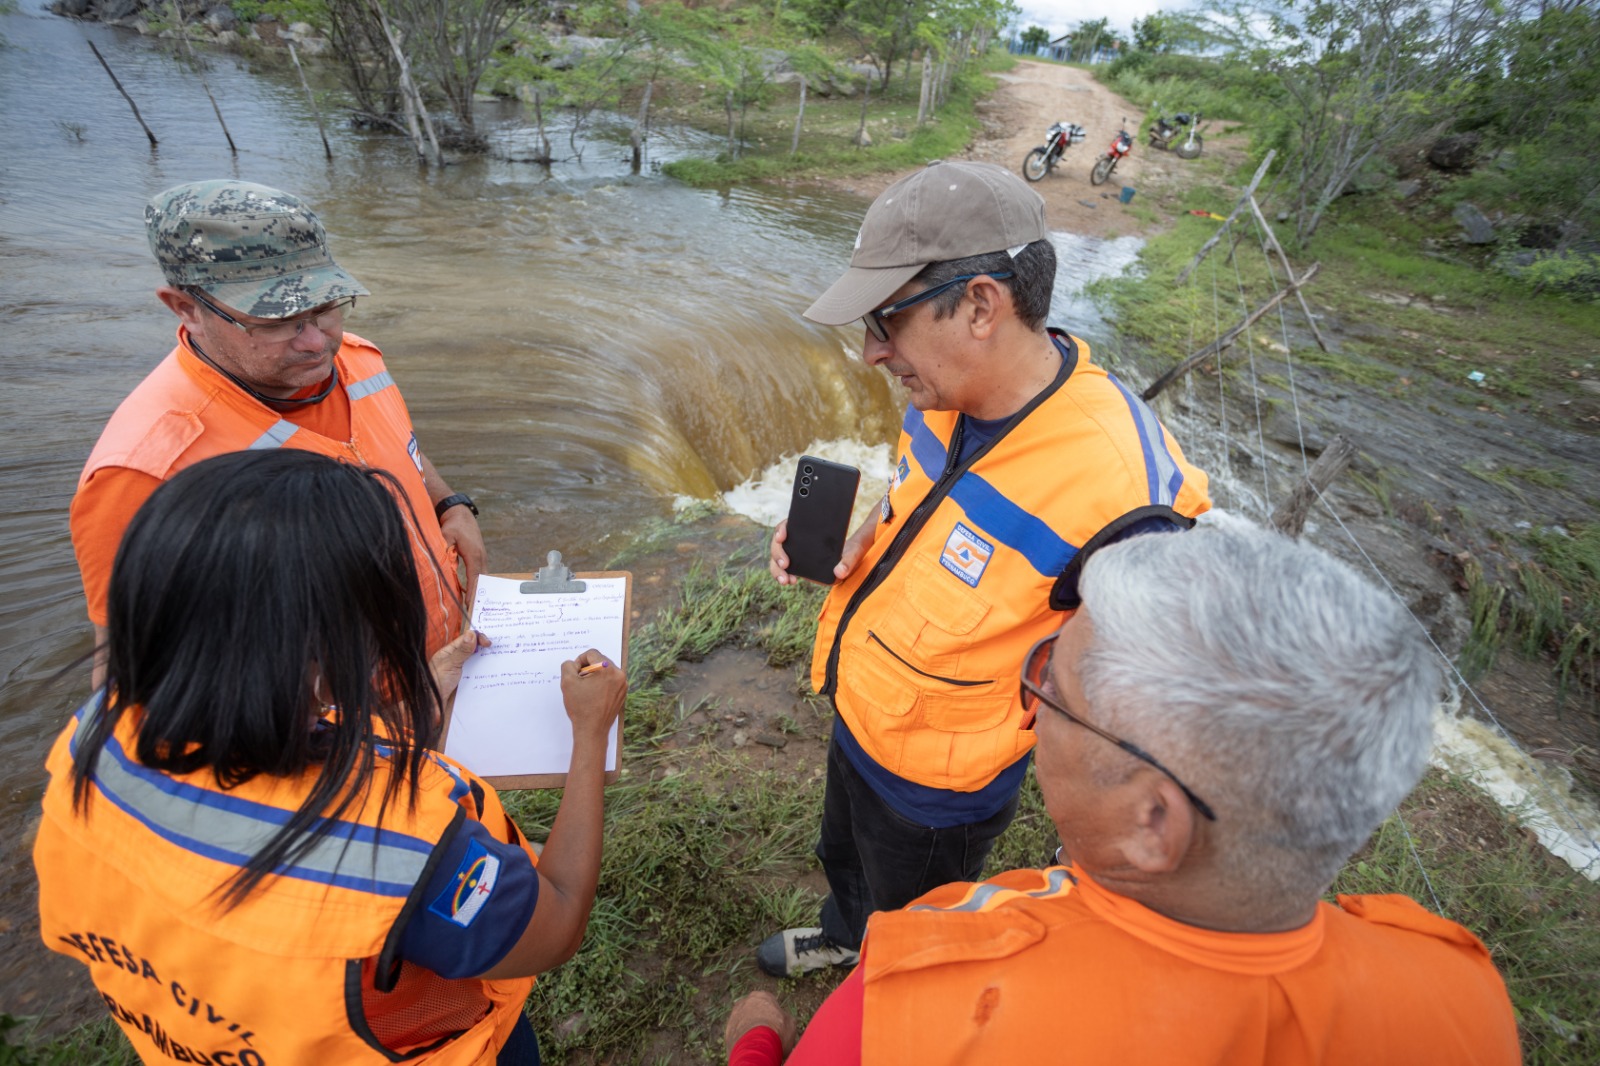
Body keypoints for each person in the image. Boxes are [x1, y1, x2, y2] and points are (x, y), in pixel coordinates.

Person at [727, 518, 1522, 1064]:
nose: (1031, 705)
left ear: (1155, 824)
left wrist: (758, 1042)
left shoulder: (924, 1008)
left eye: (1051, 684)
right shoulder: (1463, 993)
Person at [759, 160, 1211, 976]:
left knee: (915, 919)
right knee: (846, 854)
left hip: (942, 784)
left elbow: (1149, 701)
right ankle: (844, 932)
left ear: (979, 305)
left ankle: (887, 986)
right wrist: (865, 535)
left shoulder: (1125, 492)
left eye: (883, 322)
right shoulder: (940, 396)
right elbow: (917, 501)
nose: (868, 353)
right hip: (863, 705)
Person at [34, 450, 627, 1065]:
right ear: (334, 644)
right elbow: (556, 923)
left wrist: (421, 694)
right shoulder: (405, 851)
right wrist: (589, 735)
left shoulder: (93, 741)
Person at [71, 179, 483, 684]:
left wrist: (447, 501)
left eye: (325, 306)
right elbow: (129, 679)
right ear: (185, 308)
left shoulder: (357, 358)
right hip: (336, 740)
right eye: (276, 320)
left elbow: (395, 443)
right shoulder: (146, 470)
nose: (316, 342)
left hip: (450, 671)